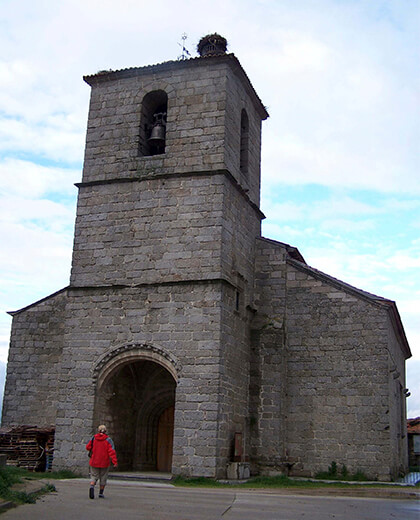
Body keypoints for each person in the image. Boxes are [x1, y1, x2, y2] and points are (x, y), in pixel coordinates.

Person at [86, 424, 118, 499]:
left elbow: (88, 447)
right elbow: (111, 451)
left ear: (98, 430)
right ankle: (101, 493)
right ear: (105, 431)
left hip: (94, 461)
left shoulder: (94, 438)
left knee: (94, 476)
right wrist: (115, 462)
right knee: (103, 477)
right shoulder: (108, 440)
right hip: (104, 462)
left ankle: (92, 486)